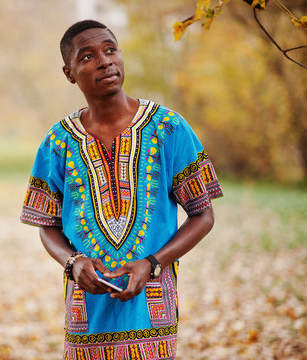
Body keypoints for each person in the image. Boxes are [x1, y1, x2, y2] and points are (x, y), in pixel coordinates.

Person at [20, 19, 223, 359]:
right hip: (88, 319)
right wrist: (72, 262)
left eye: (111, 50)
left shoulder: (169, 128)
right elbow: (47, 225)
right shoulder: (58, 142)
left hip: (151, 313)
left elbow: (203, 215)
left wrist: (153, 263)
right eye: (87, 56)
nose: (105, 61)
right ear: (69, 73)